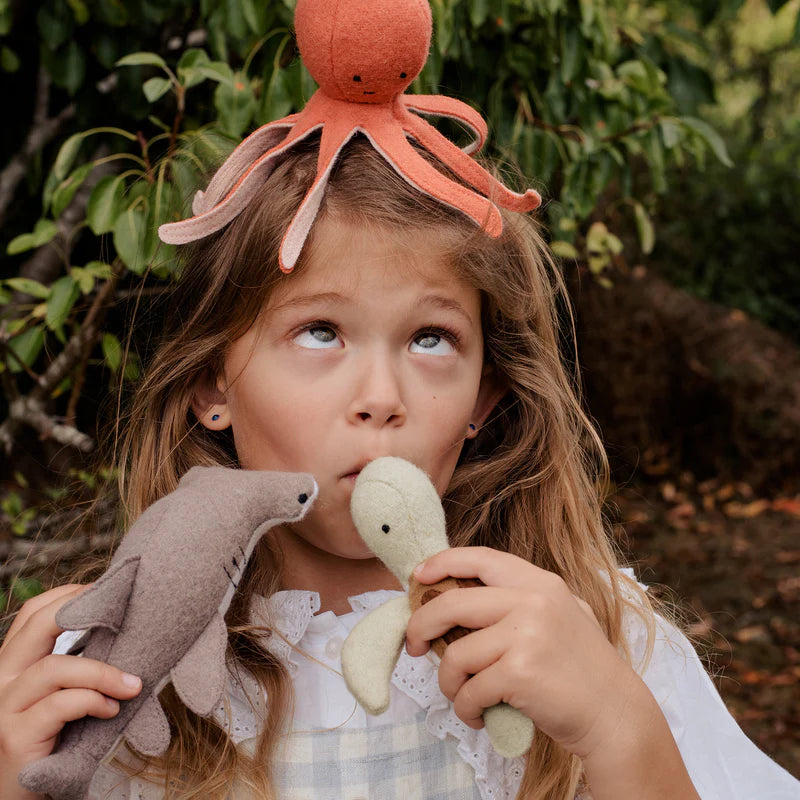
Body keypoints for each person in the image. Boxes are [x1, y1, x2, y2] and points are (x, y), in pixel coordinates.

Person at [1, 133, 798, 800]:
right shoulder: (110, 678)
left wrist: (622, 731)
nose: (381, 398)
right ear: (213, 383)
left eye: (430, 338)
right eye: (319, 331)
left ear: (484, 396)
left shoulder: (594, 635)